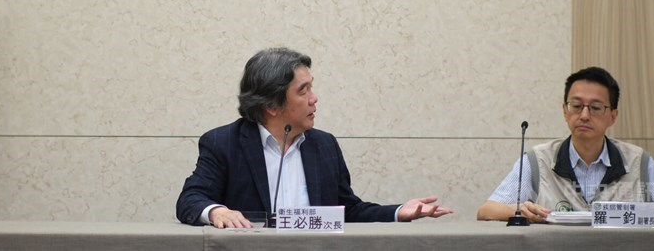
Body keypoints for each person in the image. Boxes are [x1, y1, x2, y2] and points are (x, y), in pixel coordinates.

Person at [177, 47, 453, 228]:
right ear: (271, 105)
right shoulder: (224, 143)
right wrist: (216, 212)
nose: (314, 98)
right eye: (303, 90)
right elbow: (191, 200)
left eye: (312, 87)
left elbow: (347, 211)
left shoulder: (324, 145)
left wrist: (397, 212)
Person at [477, 66, 654, 223]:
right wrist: (518, 211)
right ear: (565, 111)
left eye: (595, 107)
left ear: (613, 116)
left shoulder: (638, 161)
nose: (584, 115)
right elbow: (486, 210)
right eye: (576, 106)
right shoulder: (538, 160)